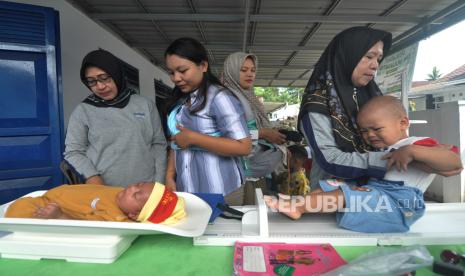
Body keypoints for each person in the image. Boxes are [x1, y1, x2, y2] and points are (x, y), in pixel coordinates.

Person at [266, 96, 462, 233]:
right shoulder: (384, 149)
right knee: (333, 185)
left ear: (403, 123)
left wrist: (413, 152)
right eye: (364, 131)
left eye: (376, 128)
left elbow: (454, 162)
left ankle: (299, 207)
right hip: (380, 193)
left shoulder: (417, 143)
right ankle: (299, 203)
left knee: (346, 194)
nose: (370, 135)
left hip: (400, 203)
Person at [297, 26, 393, 189]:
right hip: (333, 200)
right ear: (347, 56)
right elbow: (330, 158)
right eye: (369, 56)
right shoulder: (318, 103)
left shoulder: (372, 96)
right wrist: (391, 160)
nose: (375, 65)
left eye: (378, 59)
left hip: (377, 193)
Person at [163, 38, 252, 205]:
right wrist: (169, 176)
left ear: (203, 66)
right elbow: (176, 142)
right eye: (171, 72)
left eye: (182, 70)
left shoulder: (219, 98)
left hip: (221, 191)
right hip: (187, 190)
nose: (176, 78)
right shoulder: (181, 101)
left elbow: (244, 146)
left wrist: (194, 138)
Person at [64, 49, 167, 187]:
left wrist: (159, 183)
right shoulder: (83, 111)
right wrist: (92, 177)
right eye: (91, 81)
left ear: (116, 74)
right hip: (104, 190)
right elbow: (73, 152)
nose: (100, 86)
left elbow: (159, 145)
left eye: (105, 78)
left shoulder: (145, 105)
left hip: (144, 190)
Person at [222, 52, 287, 204]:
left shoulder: (247, 95)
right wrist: (263, 133)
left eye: (252, 70)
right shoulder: (226, 97)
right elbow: (225, 137)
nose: (250, 74)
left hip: (254, 173)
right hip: (236, 177)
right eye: (243, 70)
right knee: (242, 220)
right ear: (231, 70)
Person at [5, 182, 186, 225]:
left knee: (18, 210)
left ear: (135, 215)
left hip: (47, 207)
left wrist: (60, 216)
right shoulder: (120, 194)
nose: (131, 188)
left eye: (137, 195)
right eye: (137, 184)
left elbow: (87, 227)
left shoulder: (115, 217)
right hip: (50, 194)